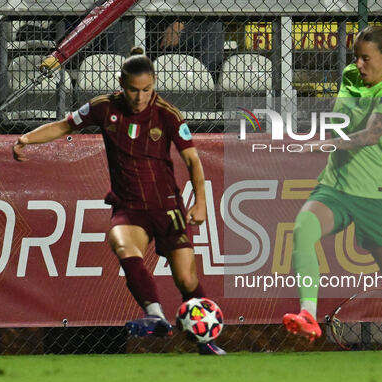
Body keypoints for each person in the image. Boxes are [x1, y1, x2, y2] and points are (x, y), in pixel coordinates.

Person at [13, 47, 225, 355]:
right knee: (122, 243)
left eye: (146, 90)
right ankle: (154, 315)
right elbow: (65, 124)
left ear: (155, 85)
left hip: (167, 207)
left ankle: (206, 342)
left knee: (186, 278)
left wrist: (201, 203)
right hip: (129, 207)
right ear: (121, 83)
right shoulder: (103, 107)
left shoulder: (167, 115)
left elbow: (192, 160)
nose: (140, 97)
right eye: (133, 90)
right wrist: (27, 138)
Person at [282, 25, 382, 354]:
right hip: (336, 186)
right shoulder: (351, 76)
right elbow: (342, 121)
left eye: (366, 58)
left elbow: (369, 135)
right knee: (302, 228)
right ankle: (308, 315)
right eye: (356, 56)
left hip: (375, 194)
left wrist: (324, 146)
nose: (359, 63)